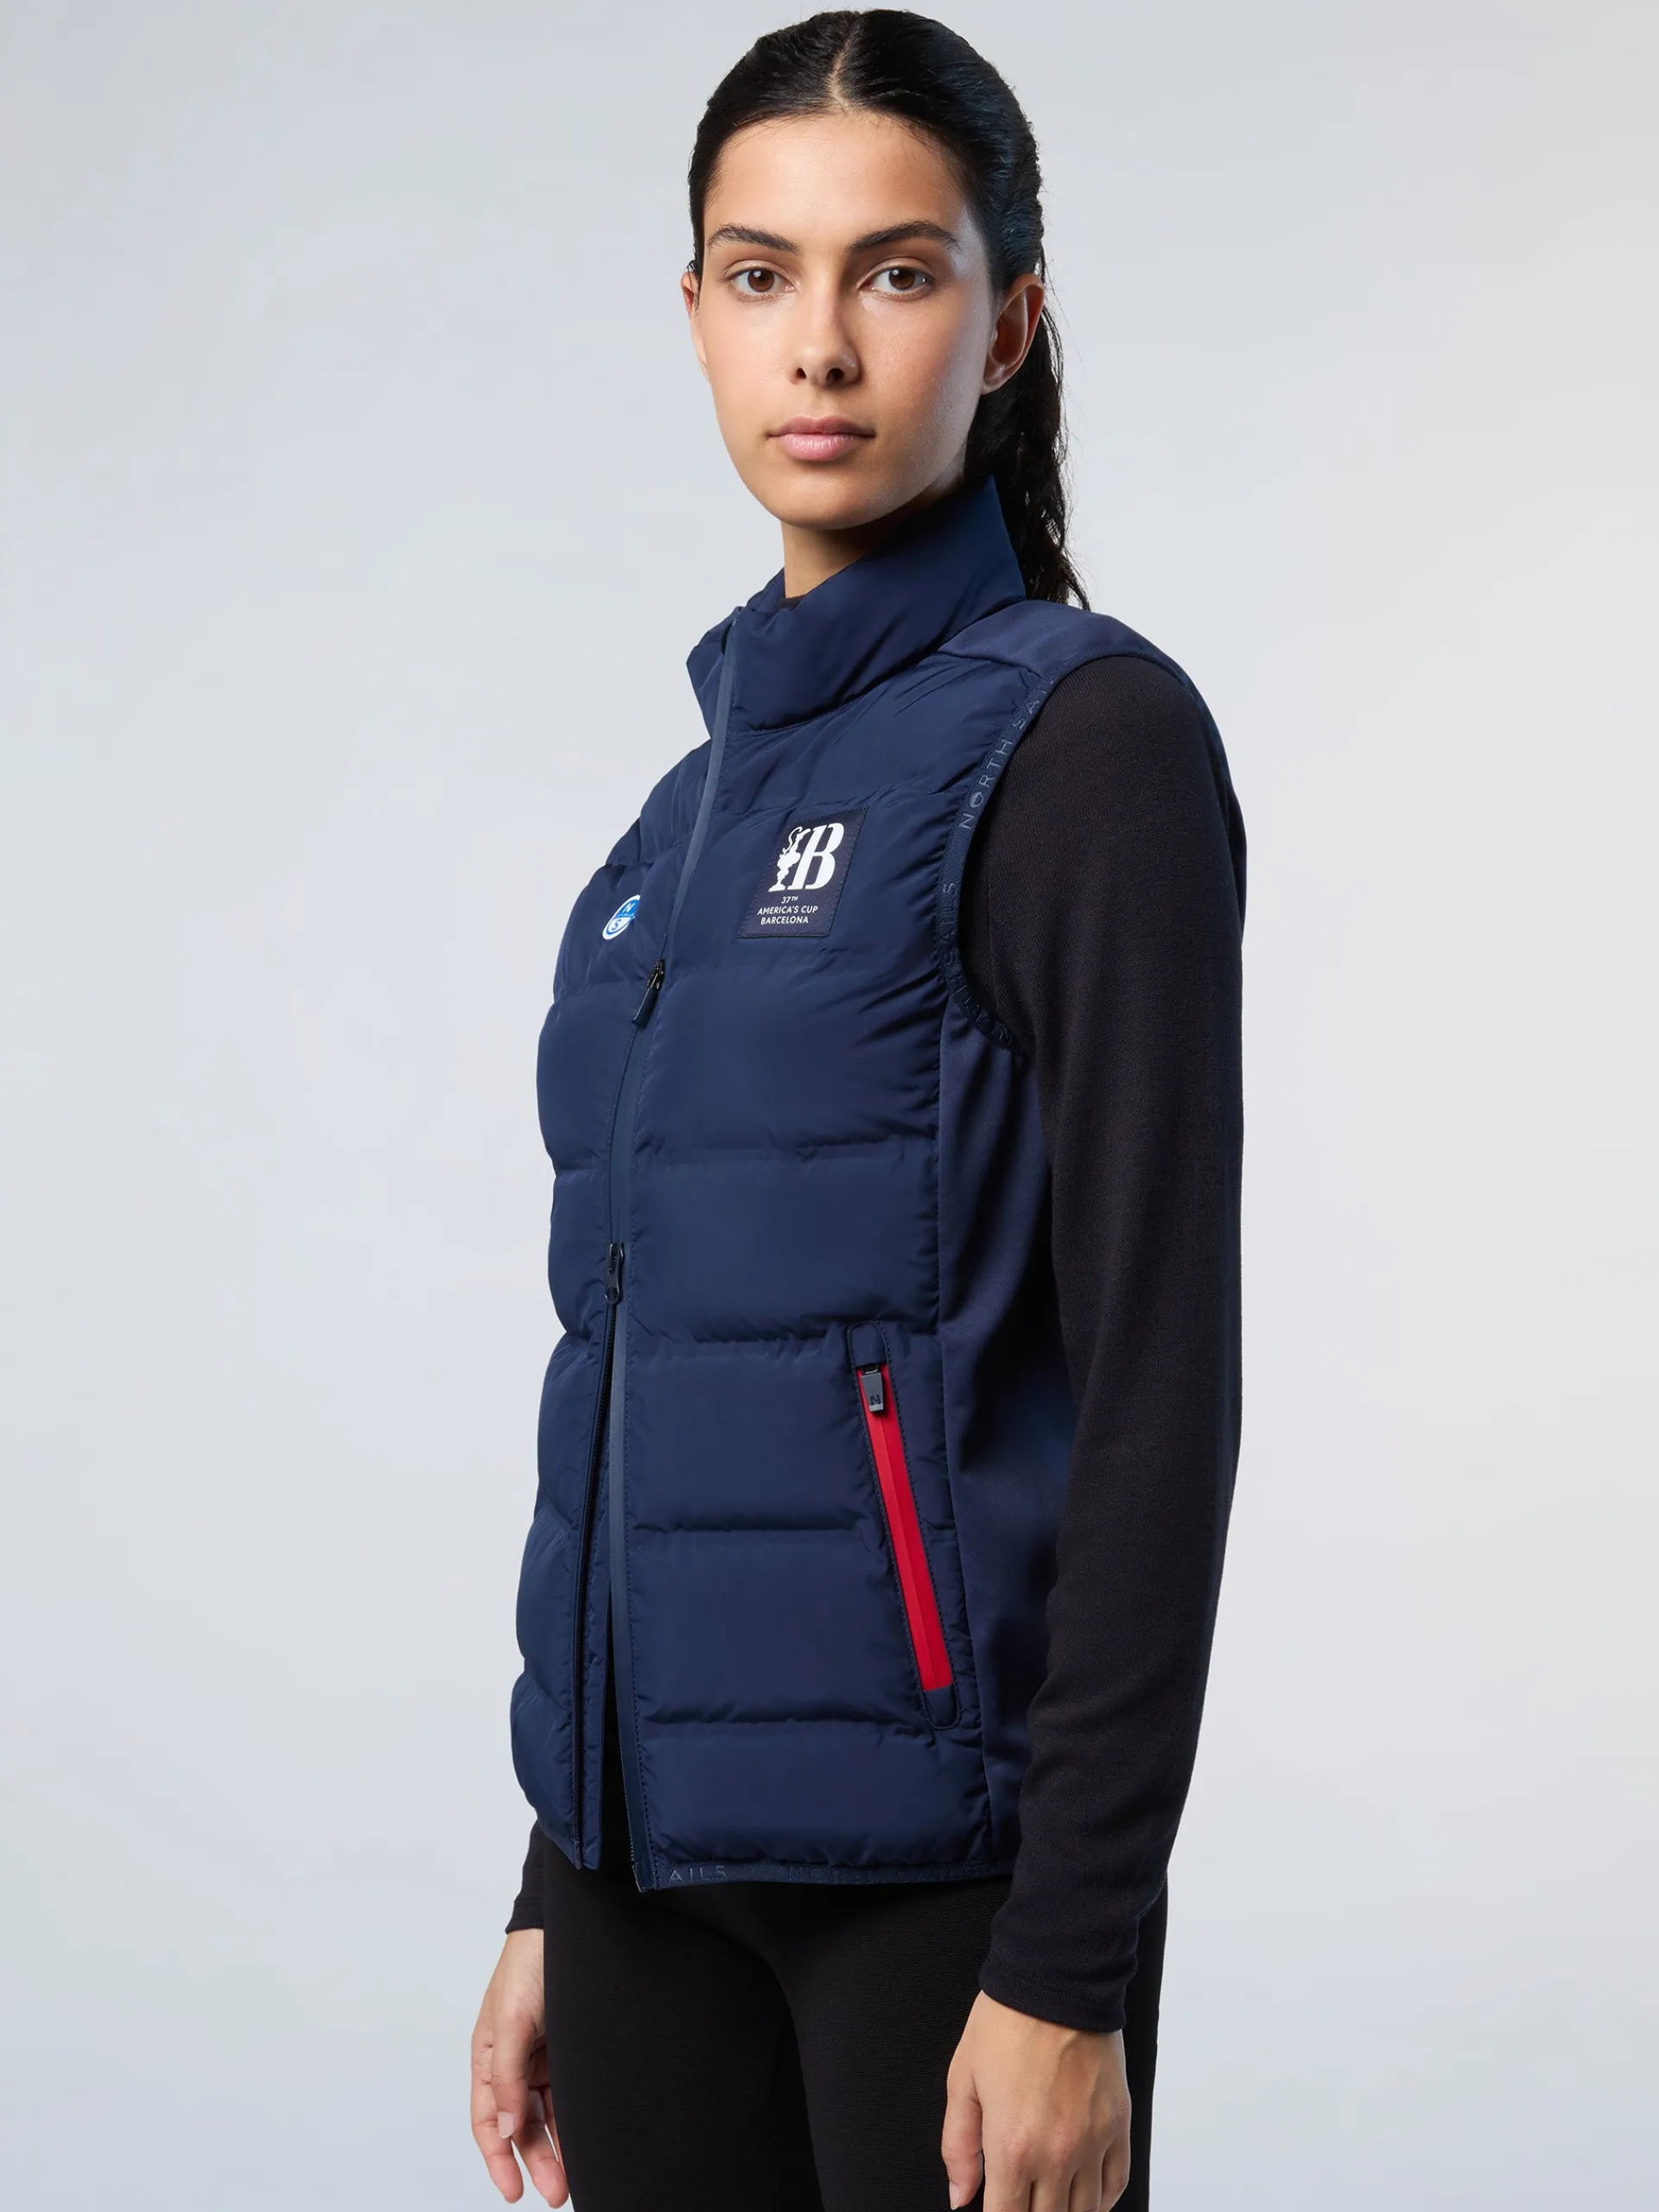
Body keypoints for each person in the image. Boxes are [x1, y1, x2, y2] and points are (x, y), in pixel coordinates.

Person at [469, 12, 1244, 2209]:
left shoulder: (1085, 746)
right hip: (641, 1881)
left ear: (1005, 324)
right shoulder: (681, 818)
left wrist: (1071, 1955)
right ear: (696, 315)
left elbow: (1161, 1377)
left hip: (950, 1887)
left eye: (895, 272)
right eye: (760, 274)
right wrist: (549, 1872)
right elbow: (646, 1374)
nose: (819, 343)